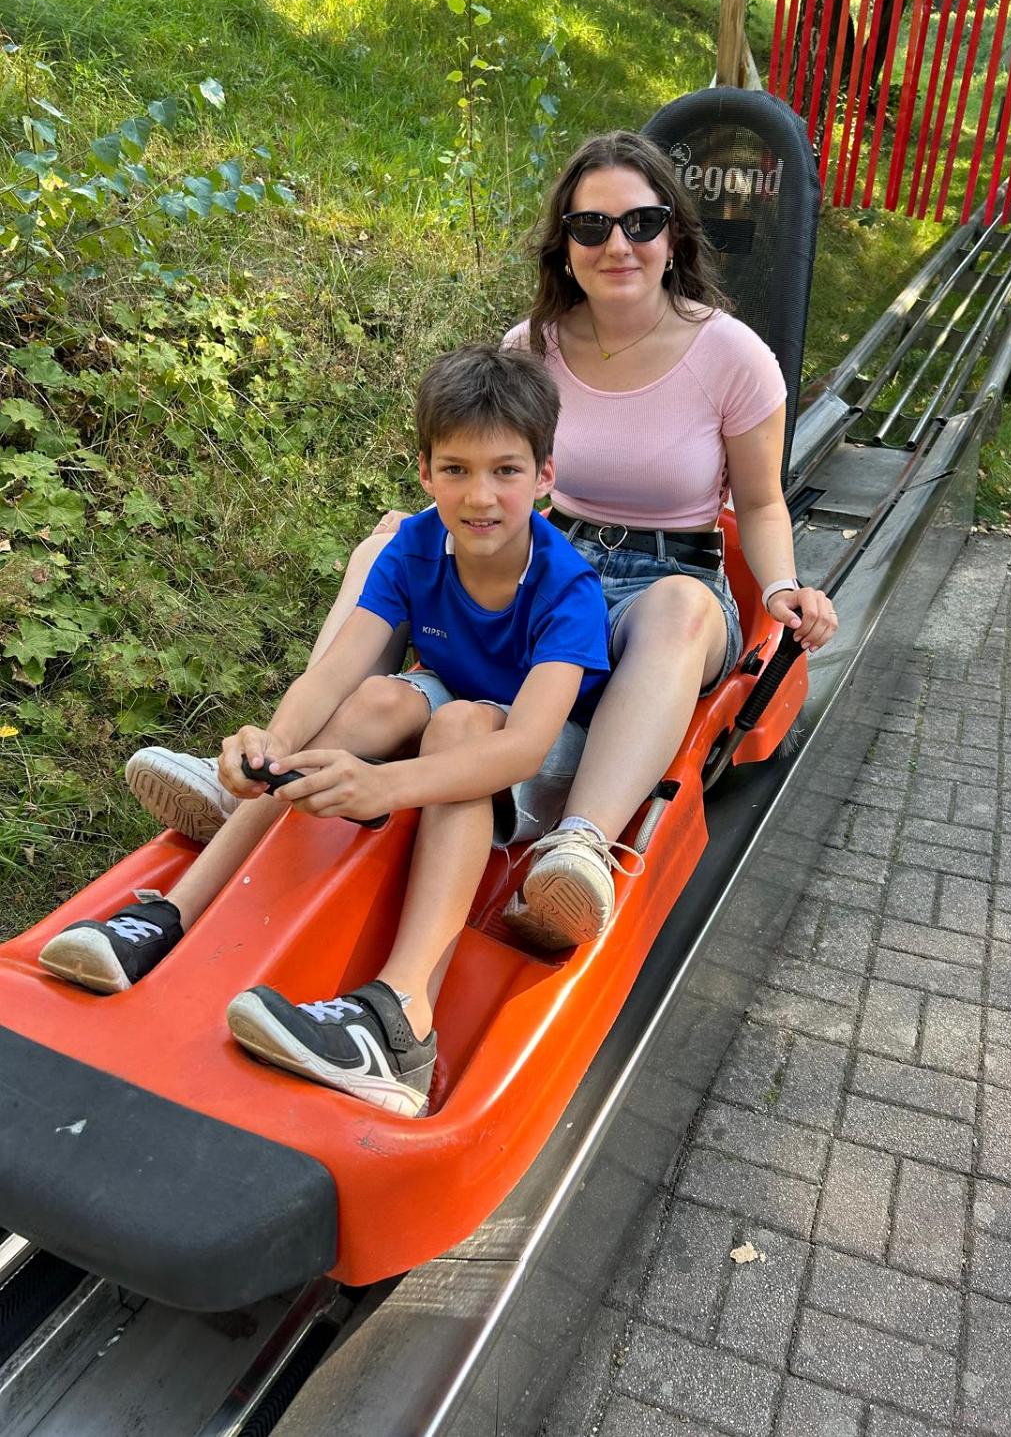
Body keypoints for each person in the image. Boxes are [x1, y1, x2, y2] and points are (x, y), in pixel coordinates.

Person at [123, 129, 838, 945]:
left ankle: (581, 844)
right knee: (388, 543)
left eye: (640, 223)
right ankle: (272, 760)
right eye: (592, 226)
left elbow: (760, 502)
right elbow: (493, 472)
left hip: (665, 577)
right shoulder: (533, 345)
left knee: (677, 608)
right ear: (564, 242)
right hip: (544, 554)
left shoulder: (731, 355)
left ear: (672, 233)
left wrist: (780, 588)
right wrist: (432, 529)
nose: (617, 245)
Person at [38, 345, 611, 1118]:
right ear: (425, 472)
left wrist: (383, 785)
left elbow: (523, 747)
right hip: (456, 710)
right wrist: (270, 744)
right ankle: (173, 913)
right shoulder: (415, 545)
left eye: (504, 471)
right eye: (456, 469)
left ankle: (403, 1025)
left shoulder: (566, 585)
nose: (479, 496)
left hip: (539, 754)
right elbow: (333, 672)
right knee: (376, 699)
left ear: (544, 477)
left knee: (464, 725)